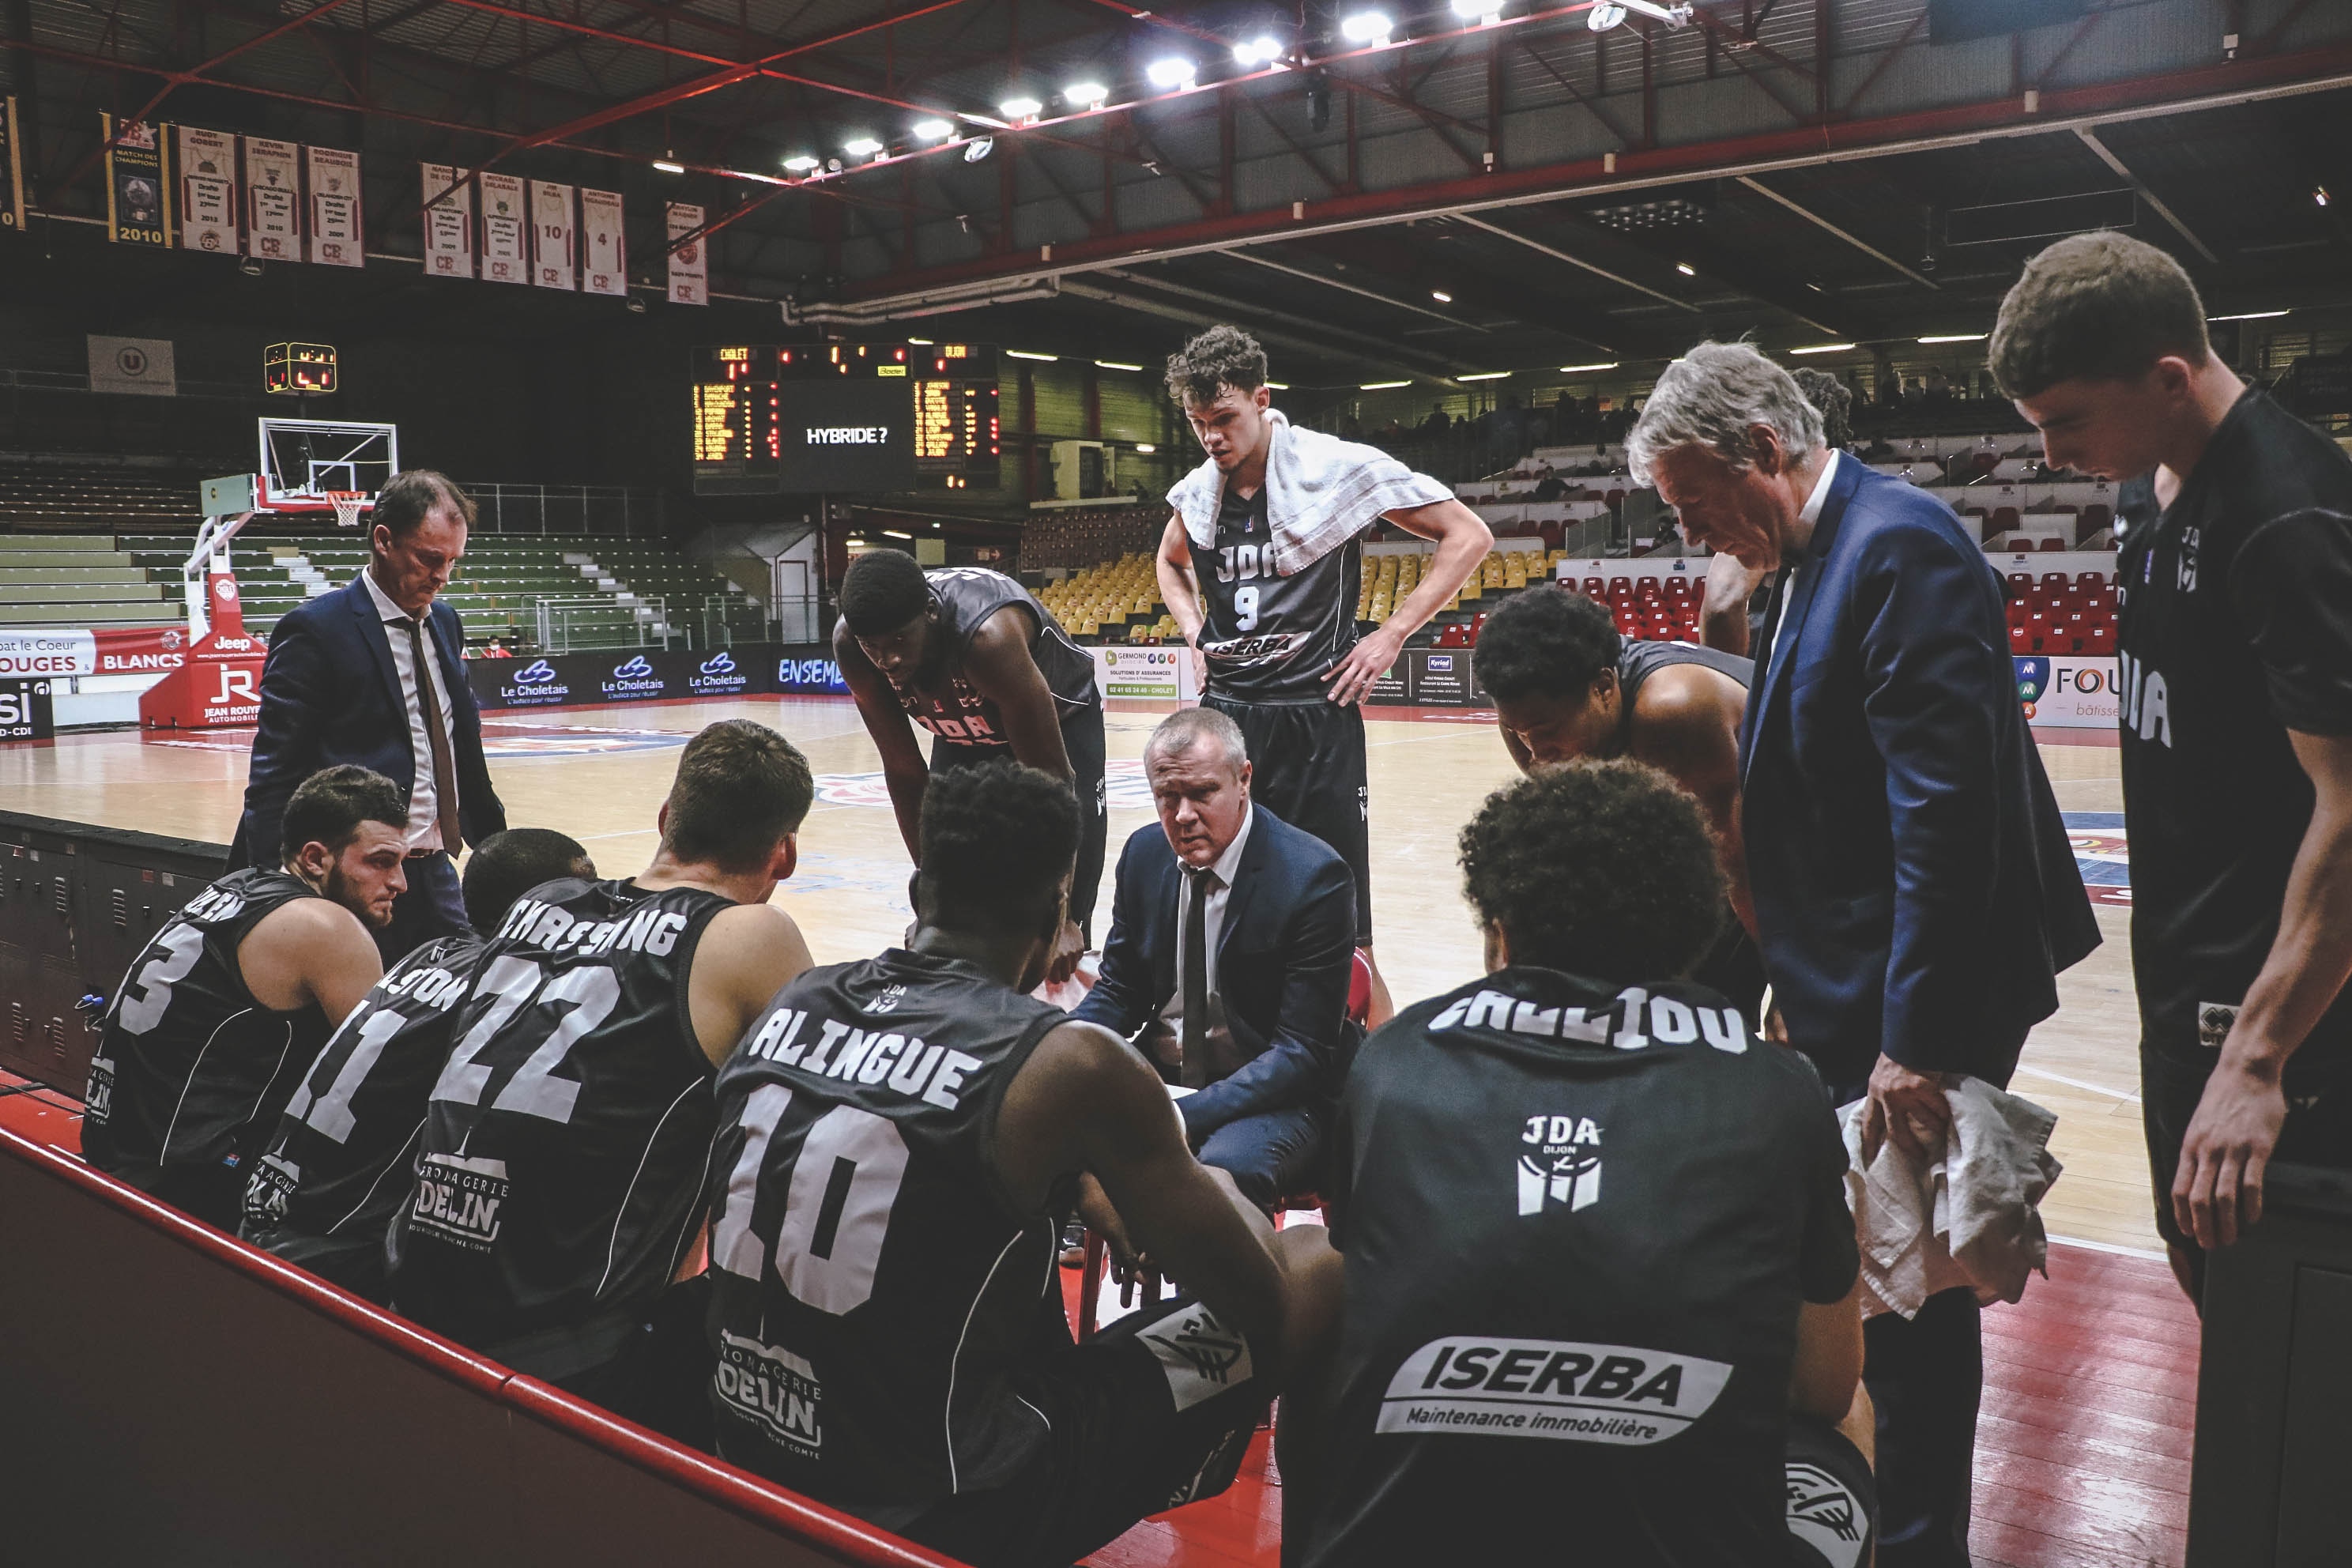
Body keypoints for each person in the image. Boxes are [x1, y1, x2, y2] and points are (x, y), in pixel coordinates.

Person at [1628, 341, 2098, 1568]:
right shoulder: (1813, 552)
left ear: (1765, 454)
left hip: (1918, 994)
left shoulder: (1900, 545)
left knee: (1914, 1287)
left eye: (1697, 505)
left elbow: (1944, 815)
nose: (1696, 534)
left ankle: (1926, 1542)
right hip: (1862, 978)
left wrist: (1918, 1043)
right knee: (1890, 1277)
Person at [703, 760, 1327, 1568]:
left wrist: (1082, 1169)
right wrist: (1164, 1164)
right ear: (1055, 913)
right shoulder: (1068, 1065)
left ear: (920, 892)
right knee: (1316, 1267)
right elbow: (1260, 1298)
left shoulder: (798, 997)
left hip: (745, 1446)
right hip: (945, 1504)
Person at [1281, 761, 1870, 1566]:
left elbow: (1368, 1277)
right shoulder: (1778, 1086)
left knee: (1321, 1304)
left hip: (1413, 1536)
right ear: (1689, 932)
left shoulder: (1395, 1057)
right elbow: (1824, 1386)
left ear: (1504, 933)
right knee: (1855, 1415)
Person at [1992, 231, 2352, 1302]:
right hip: (2187, 996)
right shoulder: (2148, 494)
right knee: (2219, 1296)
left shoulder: (2289, 519)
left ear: (2168, 378)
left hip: (2286, 1035)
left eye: (2067, 421)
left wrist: (2258, 1059)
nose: (2051, 456)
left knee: (2286, 1360)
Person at [386, 721, 816, 1426]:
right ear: (785, 855)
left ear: (665, 820)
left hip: (413, 1281)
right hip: (564, 1341)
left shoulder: (541, 904)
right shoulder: (750, 934)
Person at [1156, 326, 1492, 1021]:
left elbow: (1469, 535)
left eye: (1224, 420)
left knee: (1342, 921)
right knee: (1224, 901)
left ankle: (1374, 1069)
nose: (1212, 438)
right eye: (1198, 424)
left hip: (1313, 714)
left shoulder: (1335, 469)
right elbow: (1169, 561)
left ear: (1262, 399)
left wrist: (1392, 634)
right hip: (1228, 718)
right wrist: (1195, 633)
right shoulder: (1197, 491)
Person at [239, 827, 595, 1302]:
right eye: (588, 890)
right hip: (330, 1256)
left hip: (264, 1206)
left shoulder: (429, 956)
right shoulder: (510, 988)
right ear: (546, 912)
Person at [82, 766, 403, 1230]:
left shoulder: (234, 887)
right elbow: (381, 1087)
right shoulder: (325, 927)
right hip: (182, 1188)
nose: (399, 883)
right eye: (380, 861)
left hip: (112, 1147)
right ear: (315, 858)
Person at [1072, 707, 1356, 1211]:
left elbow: (1301, 1053)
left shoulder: (1313, 878)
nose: (1182, 815)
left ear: (1243, 780)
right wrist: (1060, 1048)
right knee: (1045, 1113)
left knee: (1223, 1174)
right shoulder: (1142, 855)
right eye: (1167, 797)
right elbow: (1121, 992)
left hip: (1279, 1095)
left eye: (1202, 794)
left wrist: (1184, 1114)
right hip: (1167, 1077)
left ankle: (1220, 1289)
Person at [232, 469, 507, 963]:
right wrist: (274, 889)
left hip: (434, 866)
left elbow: (459, 738)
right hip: (354, 878)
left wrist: (495, 843)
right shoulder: (315, 630)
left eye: (452, 562)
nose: (442, 576)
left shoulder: (445, 622)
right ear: (383, 540)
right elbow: (276, 770)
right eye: (429, 558)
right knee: (358, 1019)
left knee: (460, 1001)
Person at [1472, 585, 1766, 1022]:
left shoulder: (1673, 710)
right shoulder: (1529, 720)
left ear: (1605, 688)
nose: (1534, 751)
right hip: (1735, 838)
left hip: (1819, 821)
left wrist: (1794, 985)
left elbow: (1738, 865)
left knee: (1699, 1009)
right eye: (1519, 732)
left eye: (1545, 730)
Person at [834, 550, 1106, 981]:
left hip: (1061, 723)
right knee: (953, 921)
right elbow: (905, 773)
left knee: (1051, 946)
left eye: (900, 642)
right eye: (875, 648)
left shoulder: (987, 639)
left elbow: (1053, 781)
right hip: (962, 728)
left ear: (930, 613)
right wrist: (931, 905)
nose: (888, 662)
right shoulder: (852, 643)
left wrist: (1065, 915)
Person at [1701, 366, 1853, 659]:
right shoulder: (1849, 499)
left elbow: (1721, 601)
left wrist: (1733, 688)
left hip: (1776, 659)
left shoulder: (1773, 505)